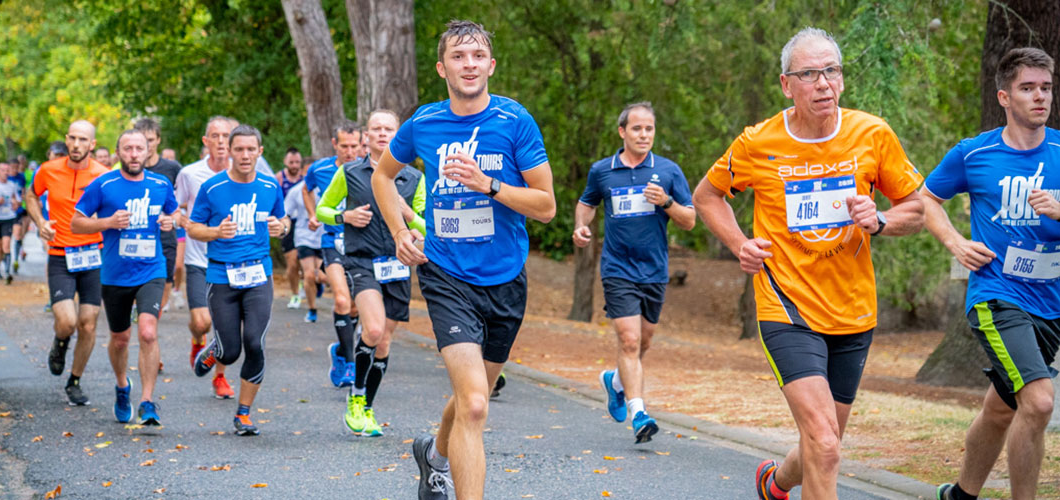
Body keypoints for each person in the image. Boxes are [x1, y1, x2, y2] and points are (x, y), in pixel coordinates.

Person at [690, 27, 926, 500]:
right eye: (810, 74)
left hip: (853, 310)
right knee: (825, 443)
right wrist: (740, 244)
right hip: (787, 307)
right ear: (786, 84)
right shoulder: (759, 142)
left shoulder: (872, 134)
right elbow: (707, 196)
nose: (823, 83)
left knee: (824, 443)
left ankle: (775, 483)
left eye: (832, 71)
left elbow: (917, 210)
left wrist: (879, 219)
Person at [373, 20, 556, 500]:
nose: (468, 64)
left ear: (491, 65)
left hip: (505, 279)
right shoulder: (424, 124)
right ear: (442, 67)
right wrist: (399, 231)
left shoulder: (515, 121)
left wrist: (489, 185)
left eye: (477, 56)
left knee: (470, 396)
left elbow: (547, 205)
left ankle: (434, 455)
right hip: (446, 274)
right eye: (458, 56)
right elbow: (382, 178)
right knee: (475, 405)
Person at [924, 47, 1060, 500]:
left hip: (1050, 304)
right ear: (1004, 96)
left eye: (1045, 87)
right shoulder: (974, 153)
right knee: (1039, 402)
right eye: (1027, 88)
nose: (1039, 97)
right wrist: (955, 242)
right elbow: (926, 200)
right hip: (997, 295)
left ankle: (961, 495)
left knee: (1003, 409)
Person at [573, 101, 697, 444]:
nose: (644, 135)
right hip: (617, 267)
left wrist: (667, 203)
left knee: (643, 341)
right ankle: (639, 412)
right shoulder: (603, 171)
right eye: (637, 128)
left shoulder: (668, 171)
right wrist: (581, 227)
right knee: (628, 340)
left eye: (649, 129)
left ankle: (615, 382)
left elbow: (689, 221)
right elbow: (587, 202)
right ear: (622, 132)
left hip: (654, 270)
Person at [317, 109, 426, 437]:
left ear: (398, 135)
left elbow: (426, 226)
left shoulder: (413, 178)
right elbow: (324, 209)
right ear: (366, 137)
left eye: (389, 129)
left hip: (398, 264)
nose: (382, 134)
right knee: (374, 329)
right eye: (376, 129)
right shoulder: (350, 172)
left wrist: (408, 214)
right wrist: (345, 217)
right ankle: (355, 397)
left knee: (385, 341)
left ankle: (367, 408)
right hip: (362, 261)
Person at [188, 124, 289, 436]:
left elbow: (283, 220)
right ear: (229, 152)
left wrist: (280, 228)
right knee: (230, 351)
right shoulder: (213, 188)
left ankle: (243, 413)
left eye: (251, 149)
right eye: (239, 149)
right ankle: (215, 350)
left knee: (254, 342)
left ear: (260, 151)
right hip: (222, 275)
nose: (245, 155)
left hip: (259, 273)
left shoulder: (271, 186)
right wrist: (217, 232)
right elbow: (193, 227)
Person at [72, 129, 178, 426]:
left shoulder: (161, 184)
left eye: (139, 148)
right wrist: (106, 222)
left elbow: (176, 215)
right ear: (118, 154)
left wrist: (172, 221)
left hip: (151, 269)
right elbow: (76, 223)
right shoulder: (103, 184)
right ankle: (122, 386)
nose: (133, 154)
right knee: (120, 339)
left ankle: (147, 402)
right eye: (127, 149)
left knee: (147, 332)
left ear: (148, 152)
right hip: (115, 273)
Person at [28, 120, 111, 406]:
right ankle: (60, 343)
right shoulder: (48, 170)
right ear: (67, 140)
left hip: (93, 256)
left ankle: (74, 380)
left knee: (88, 324)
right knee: (67, 321)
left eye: (83, 140)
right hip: (60, 254)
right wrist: (40, 222)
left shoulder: (103, 176)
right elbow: (31, 195)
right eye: (72, 139)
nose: (76, 145)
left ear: (92, 145)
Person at [176, 116, 240, 399]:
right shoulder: (190, 174)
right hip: (199, 260)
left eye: (226, 136)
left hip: (233, 261)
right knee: (202, 322)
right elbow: (175, 208)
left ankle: (220, 377)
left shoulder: (245, 173)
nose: (221, 141)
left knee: (227, 325)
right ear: (206, 141)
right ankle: (197, 340)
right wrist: (183, 221)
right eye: (215, 135)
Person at [304, 122, 364, 388]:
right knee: (341, 301)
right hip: (332, 241)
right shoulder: (320, 169)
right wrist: (312, 214)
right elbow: (306, 189)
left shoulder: (367, 169)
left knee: (354, 307)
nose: (350, 151)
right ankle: (350, 364)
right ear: (334, 144)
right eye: (345, 146)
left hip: (362, 244)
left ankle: (339, 351)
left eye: (354, 146)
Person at [134, 117, 184, 314]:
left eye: (151, 139)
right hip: (135, 236)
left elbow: (184, 199)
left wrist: (172, 218)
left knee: (165, 281)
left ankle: (153, 316)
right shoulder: (127, 168)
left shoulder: (172, 169)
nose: (147, 144)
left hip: (164, 236)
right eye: (143, 139)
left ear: (158, 140)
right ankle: (138, 316)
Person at [286, 175, 326, 323]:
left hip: (324, 238)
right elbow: (286, 212)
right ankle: (312, 309)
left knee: (321, 276)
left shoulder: (327, 186)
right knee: (309, 275)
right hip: (304, 237)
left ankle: (317, 284)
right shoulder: (296, 191)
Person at [278, 147, 306, 309]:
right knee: (292, 261)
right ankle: (295, 294)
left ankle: (304, 284)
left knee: (304, 260)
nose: (295, 165)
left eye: (297, 162)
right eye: (291, 162)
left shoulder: (306, 179)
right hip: (287, 222)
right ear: (285, 162)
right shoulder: (279, 179)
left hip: (303, 222)